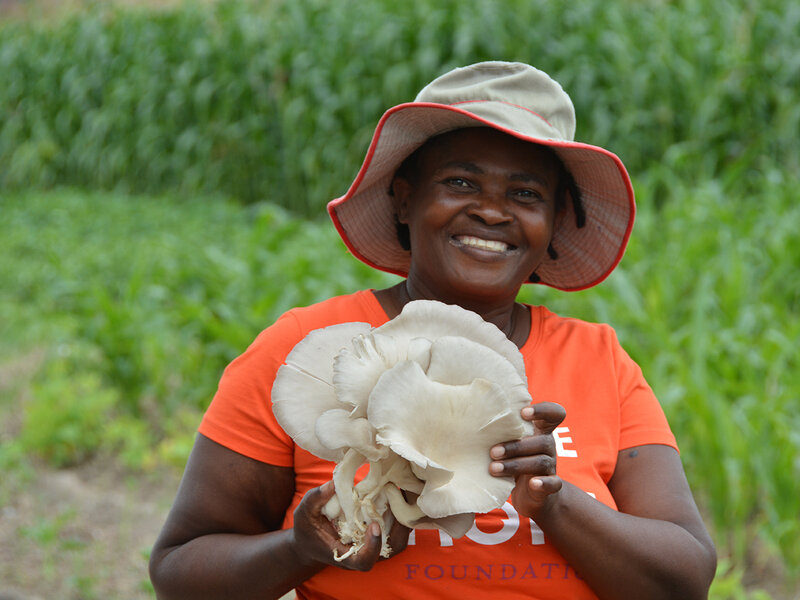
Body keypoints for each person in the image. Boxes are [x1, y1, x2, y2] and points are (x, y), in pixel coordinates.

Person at [149, 61, 716, 599]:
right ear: (403, 198)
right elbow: (180, 573)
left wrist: (554, 502)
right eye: (461, 183)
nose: (493, 212)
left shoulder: (600, 362)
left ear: (555, 224)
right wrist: (302, 549)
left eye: (526, 194)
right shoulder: (307, 350)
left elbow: (684, 579)